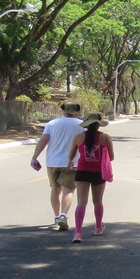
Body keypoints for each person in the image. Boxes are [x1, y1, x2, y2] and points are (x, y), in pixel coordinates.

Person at [30, 101, 84, 231]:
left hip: (52, 162)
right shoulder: (82, 125)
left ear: (63, 111)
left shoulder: (52, 123)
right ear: (77, 112)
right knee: (68, 189)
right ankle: (63, 215)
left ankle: (56, 217)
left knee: (55, 190)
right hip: (71, 162)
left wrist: (34, 157)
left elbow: (43, 141)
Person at [66, 113, 114, 244]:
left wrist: (70, 162)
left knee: (81, 202)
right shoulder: (105, 137)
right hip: (98, 173)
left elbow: (71, 155)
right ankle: (98, 227)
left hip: (82, 172)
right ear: (98, 125)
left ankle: (78, 233)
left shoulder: (78, 137)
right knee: (97, 201)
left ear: (86, 124)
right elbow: (111, 157)